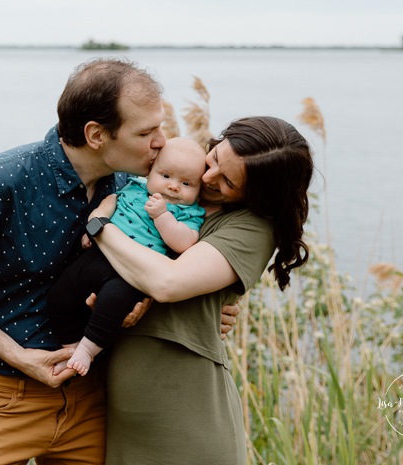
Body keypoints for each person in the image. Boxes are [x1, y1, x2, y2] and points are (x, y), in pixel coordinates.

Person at [0, 57, 167, 464]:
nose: (162, 142)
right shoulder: (2, 180)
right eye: (147, 131)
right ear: (97, 134)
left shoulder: (130, 186)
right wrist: (20, 356)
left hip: (92, 398)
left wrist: (158, 304)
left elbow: (162, 265)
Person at [87, 116, 314, 464]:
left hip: (186, 423)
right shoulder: (172, 175)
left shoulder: (250, 227)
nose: (208, 178)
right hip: (114, 416)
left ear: (255, 195)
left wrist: (100, 226)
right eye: (215, 160)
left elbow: (167, 283)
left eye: (227, 182)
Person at [46, 137, 207, 376]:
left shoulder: (188, 212)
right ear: (150, 171)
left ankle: (88, 350)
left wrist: (162, 217)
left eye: (186, 183)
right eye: (166, 176)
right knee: (60, 294)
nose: (174, 187)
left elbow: (184, 242)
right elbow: (110, 203)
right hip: (100, 254)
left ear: (199, 190)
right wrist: (97, 224)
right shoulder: (133, 187)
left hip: (133, 272)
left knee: (111, 305)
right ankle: (70, 349)